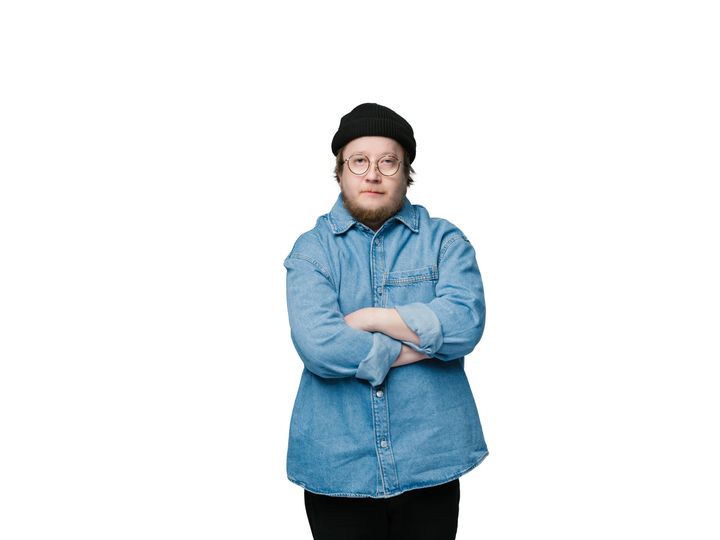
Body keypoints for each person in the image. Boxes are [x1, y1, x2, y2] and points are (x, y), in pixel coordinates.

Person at [284, 103, 488, 540]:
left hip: (430, 461)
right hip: (339, 467)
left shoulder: (444, 241)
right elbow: (320, 345)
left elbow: (465, 322)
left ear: (405, 171)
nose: (372, 174)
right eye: (359, 161)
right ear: (340, 171)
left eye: (387, 162)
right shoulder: (312, 251)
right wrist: (420, 346)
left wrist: (370, 319)